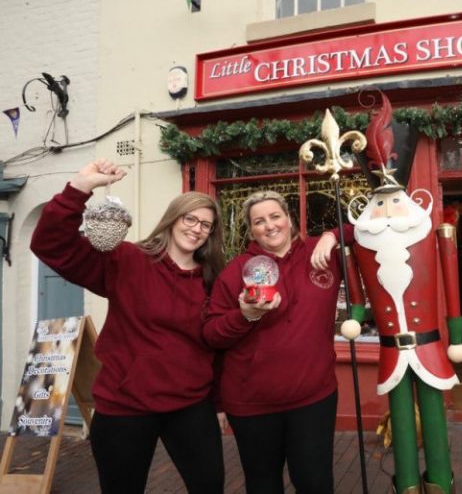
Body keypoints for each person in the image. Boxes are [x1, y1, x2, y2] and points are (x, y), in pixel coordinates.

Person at [30, 159, 226, 494]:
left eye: (206, 225)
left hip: (191, 405)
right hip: (125, 405)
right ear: (172, 220)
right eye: (189, 218)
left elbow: (218, 346)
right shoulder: (128, 260)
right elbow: (51, 245)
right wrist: (80, 186)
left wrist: (218, 404)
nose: (196, 228)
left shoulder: (213, 279)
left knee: (209, 486)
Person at [340, 94, 462, 494]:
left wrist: (457, 340)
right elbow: (358, 298)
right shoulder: (359, 241)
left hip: (428, 346)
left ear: (411, 198)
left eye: (395, 199)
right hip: (393, 349)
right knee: (399, 427)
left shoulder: (432, 232)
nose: (389, 210)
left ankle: (440, 483)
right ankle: (408, 485)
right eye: (382, 200)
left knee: (432, 419)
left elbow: (452, 289)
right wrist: (354, 320)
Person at [202, 190, 348, 494]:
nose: (269, 225)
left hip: (313, 396)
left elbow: (379, 228)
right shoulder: (236, 273)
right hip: (251, 402)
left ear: (289, 219)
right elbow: (212, 334)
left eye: (275, 216)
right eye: (259, 221)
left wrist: (334, 235)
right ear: (251, 229)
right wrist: (246, 314)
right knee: (263, 484)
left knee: (315, 482)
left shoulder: (321, 254)